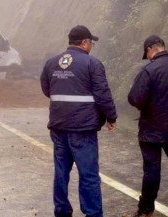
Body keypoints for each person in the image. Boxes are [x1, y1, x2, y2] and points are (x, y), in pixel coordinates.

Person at [40, 25, 118, 217]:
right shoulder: (92, 64)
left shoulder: (52, 63)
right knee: (89, 175)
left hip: (58, 127)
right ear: (84, 43)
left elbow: (46, 88)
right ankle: (93, 214)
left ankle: (62, 211)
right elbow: (102, 94)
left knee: (61, 173)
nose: (91, 46)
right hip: (83, 129)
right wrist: (111, 116)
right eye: (90, 43)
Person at [124, 35, 168, 217]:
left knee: (152, 169)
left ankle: (146, 211)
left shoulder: (148, 71)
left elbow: (135, 99)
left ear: (149, 50)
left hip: (151, 130)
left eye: (146, 54)